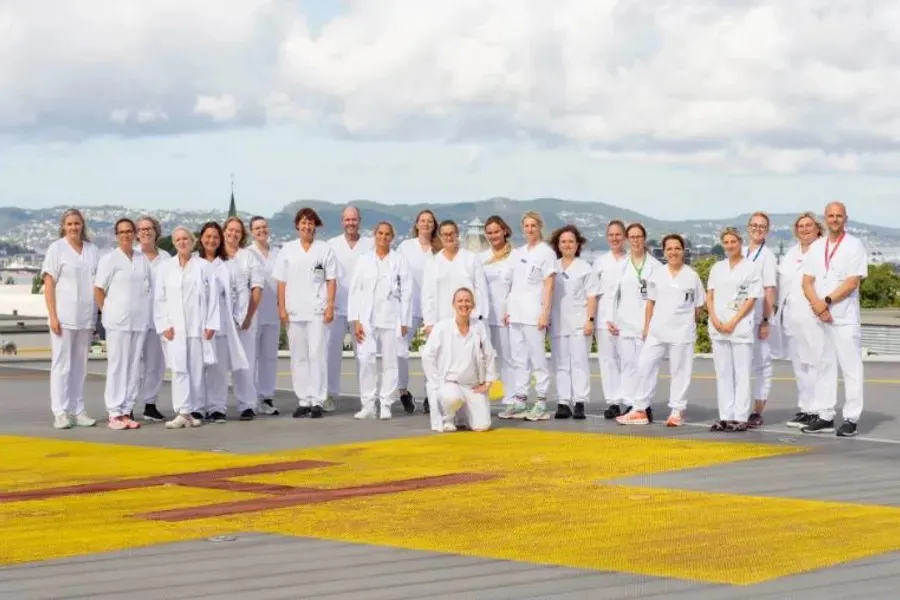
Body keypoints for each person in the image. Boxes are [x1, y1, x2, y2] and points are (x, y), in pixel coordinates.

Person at [617, 234, 705, 427]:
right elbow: (650, 303)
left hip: (682, 333)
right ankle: (639, 409)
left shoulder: (692, 276)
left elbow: (698, 307)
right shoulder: (657, 274)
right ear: (664, 252)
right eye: (669, 249)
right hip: (657, 331)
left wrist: (685, 322)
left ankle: (677, 410)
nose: (673, 252)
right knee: (644, 365)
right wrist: (647, 328)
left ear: (683, 251)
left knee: (680, 371)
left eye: (677, 248)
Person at [800, 201, 867, 437]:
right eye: (831, 215)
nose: (835, 219)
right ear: (825, 219)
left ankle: (851, 418)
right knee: (823, 366)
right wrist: (818, 306)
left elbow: (851, 282)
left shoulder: (854, 246)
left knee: (851, 368)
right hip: (821, 316)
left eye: (839, 216)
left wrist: (825, 301)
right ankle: (825, 415)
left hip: (844, 317)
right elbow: (806, 281)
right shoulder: (817, 247)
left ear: (845, 219)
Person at [421, 219, 489, 428]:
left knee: (468, 367)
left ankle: (467, 411)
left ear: (458, 234)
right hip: (442, 322)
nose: (449, 237)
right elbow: (428, 295)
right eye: (445, 234)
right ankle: (447, 413)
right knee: (445, 370)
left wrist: (478, 317)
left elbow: (480, 289)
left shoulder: (471, 259)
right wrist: (429, 322)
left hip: (467, 321)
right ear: (440, 237)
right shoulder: (433, 262)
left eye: (452, 233)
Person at [274, 208, 337, 419]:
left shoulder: (324, 249)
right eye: (303, 222)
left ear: (315, 226)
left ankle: (317, 399)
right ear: (297, 226)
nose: (307, 226)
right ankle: (303, 399)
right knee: (298, 357)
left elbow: (331, 279)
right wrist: (281, 307)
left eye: (310, 223)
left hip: (317, 310)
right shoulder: (287, 250)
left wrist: (330, 305)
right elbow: (281, 282)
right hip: (294, 310)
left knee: (317, 354)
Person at [154, 226, 219, 429]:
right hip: (176, 329)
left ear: (192, 242)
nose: (182, 242)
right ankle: (182, 411)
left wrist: (211, 323)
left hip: (197, 326)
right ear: (174, 243)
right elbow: (159, 298)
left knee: (197, 370)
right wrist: (164, 323)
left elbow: (213, 297)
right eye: (178, 239)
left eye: (185, 239)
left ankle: (194, 409)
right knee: (179, 369)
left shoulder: (203, 267)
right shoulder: (166, 268)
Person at [347, 222, 413, 420]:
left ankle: (386, 403)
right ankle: (368, 404)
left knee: (390, 362)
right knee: (365, 359)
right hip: (367, 318)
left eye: (387, 234)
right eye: (380, 233)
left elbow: (408, 292)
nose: (383, 237)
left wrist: (404, 320)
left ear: (392, 237)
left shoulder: (399, 260)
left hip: (392, 318)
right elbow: (354, 291)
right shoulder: (364, 260)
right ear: (374, 236)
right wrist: (356, 320)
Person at [41, 208, 99, 429]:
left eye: (77, 223)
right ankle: (60, 411)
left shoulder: (92, 250)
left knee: (80, 366)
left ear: (82, 225)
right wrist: (53, 316)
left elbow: (98, 284)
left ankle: (78, 409)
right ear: (63, 227)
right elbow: (49, 284)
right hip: (64, 318)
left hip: (86, 317)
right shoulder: (57, 249)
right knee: (62, 365)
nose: (74, 227)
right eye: (69, 224)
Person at [93, 218, 152, 430]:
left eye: (129, 231)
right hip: (117, 322)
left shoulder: (141, 258)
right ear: (116, 235)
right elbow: (99, 289)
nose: (126, 235)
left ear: (135, 233)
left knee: (133, 367)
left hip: (138, 321)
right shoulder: (110, 260)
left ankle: (127, 409)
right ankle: (114, 412)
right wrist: (106, 311)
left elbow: (149, 287)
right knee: (118, 366)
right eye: (122, 232)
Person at [500, 211, 556, 421]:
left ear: (539, 227)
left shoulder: (546, 252)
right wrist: (507, 310)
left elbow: (549, 284)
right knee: (518, 358)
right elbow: (512, 283)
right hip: (516, 313)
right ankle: (520, 400)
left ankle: (541, 401)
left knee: (537, 358)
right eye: (526, 226)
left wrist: (545, 313)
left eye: (533, 225)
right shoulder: (518, 253)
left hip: (534, 314)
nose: (530, 229)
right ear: (522, 228)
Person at [605, 222, 663, 420]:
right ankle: (631, 404)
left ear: (644, 239)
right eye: (632, 237)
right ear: (627, 240)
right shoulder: (622, 265)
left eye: (639, 237)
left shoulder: (656, 266)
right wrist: (612, 319)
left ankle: (644, 405)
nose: (636, 241)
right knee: (628, 365)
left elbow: (659, 298)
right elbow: (614, 294)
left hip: (647, 325)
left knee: (646, 366)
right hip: (625, 323)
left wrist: (653, 324)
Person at [706, 227, 761, 432]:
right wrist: (715, 318)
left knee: (742, 372)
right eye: (726, 242)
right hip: (718, 326)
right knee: (723, 372)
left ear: (740, 242)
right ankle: (725, 415)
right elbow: (710, 295)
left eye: (733, 242)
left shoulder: (751, 267)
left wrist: (734, 321)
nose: (730, 246)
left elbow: (751, 298)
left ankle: (740, 417)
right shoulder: (717, 268)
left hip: (739, 326)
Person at [421, 287, 499, 433]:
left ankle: (463, 414)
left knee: (482, 426)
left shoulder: (479, 326)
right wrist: (436, 383)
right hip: (450, 383)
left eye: (468, 301)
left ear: (473, 305)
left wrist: (488, 383)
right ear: (453, 305)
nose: (464, 304)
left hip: (472, 386)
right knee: (452, 398)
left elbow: (489, 354)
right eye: (460, 301)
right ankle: (448, 418)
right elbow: (427, 355)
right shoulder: (442, 327)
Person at [196, 221, 249, 423]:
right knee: (198, 368)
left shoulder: (228, 265)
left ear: (220, 240)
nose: (211, 240)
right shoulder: (194, 264)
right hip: (198, 325)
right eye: (208, 236)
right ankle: (198, 407)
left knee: (218, 369)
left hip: (223, 325)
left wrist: (238, 317)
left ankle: (217, 407)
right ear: (201, 238)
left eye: (215, 237)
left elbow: (242, 291)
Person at [779, 213, 824, 429]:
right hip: (791, 316)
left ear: (817, 229)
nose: (804, 229)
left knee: (815, 363)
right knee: (799, 366)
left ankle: (819, 409)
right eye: (801, 226)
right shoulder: (790, 254)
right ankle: (805, 408)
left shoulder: (823, 250)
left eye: (809, 225)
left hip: (813, 314)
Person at [548, 225, 599, 420]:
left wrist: (590, 320)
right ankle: (563, 402)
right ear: (558, 245)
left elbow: (592, 296)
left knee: (579, 363)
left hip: (580, 322)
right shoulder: (553, 267)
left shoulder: (585, 268)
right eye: (564, 242)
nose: (567, 244)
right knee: (560, 363)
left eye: (571, 241)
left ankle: (579, 402)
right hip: (558, 322)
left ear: (577, 244)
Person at [326, 205, 373, 411]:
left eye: (354, 220)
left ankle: (367, 398)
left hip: (361, 311)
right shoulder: (331, 245)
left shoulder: (370, 244)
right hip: (336, 307)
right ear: (342, 221)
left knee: (363, 355)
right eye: (347, 220)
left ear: (359, 221)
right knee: (331, 354)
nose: (350, 223)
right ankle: (329, 394)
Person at [396, 209, 440, 413]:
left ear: (434, 225)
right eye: (422, 220)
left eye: (429, 221)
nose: (426, 224)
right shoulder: (406, 247)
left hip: (434, 307)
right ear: (416, 224)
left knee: (433, 353)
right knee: (400, 349)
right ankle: (403, 391)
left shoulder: (439, 248)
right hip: (409, 306)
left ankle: (431, 395)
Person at [223, 216, 265, 421]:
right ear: (224, 232)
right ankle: (214, 405)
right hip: (220, 320)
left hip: (244, 319)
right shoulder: (215, 256)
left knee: (245, 363)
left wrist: (249, 316)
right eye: (230, 230)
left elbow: (257, 289)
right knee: (217, 364)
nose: (233, 234)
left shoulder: (249, 257)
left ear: (242, 235)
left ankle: (247, 404)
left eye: (237, 231)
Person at [744, 212, 779, 428]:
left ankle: (757, 411)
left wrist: (766, 320)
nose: (758, 229)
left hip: (758, 318)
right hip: (738, 319)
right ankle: (736, 408)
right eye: (755, 225)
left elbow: (770, 290)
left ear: (767, 230)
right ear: (748, 227)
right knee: (739, 366)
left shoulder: (768, 256)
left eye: (762, 226)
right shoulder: (739, 251)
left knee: (762, 365)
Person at [135, 215, 170, 422]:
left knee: (156, 365)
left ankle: (150, 404)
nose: (146, 232)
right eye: (141, 229)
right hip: (135, 319)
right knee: (131, 365)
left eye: (149, 229)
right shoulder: (131, 256)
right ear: (136, 233)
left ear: (156, 232)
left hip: (158, 320)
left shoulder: (166, 258)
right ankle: (127, 405)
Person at [479, 216, 516, 409]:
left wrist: (511, 310)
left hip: (506, 316)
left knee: (508, 359)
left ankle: (511, 399)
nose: (493, 235)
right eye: (490, 232)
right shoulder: (481, 258)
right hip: (485, 316)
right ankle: (480, 400)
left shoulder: (515, 256)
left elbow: (518, 287)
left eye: (496, 231)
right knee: (484, 359)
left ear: (504, 231)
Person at [593, 221, 629, 418]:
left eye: (618, 235)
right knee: (607, 361)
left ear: (624, 237)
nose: (615, 238)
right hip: (603, 319)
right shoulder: (600, 262)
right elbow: (594, 293)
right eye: (611, 235)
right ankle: (613, 401)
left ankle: (630, 400)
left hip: (626, 320)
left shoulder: (631, 261)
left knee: (628, 361)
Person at [246, 216, 281, 416]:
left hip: (272, 313)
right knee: (252, 357)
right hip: (253, 313)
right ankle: (250, 399)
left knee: (269, 358)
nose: (261, 230)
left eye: (264, 227)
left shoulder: (277, 252)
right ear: (251, 232)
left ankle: (266, 397)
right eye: (257, 228)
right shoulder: (247, 253)